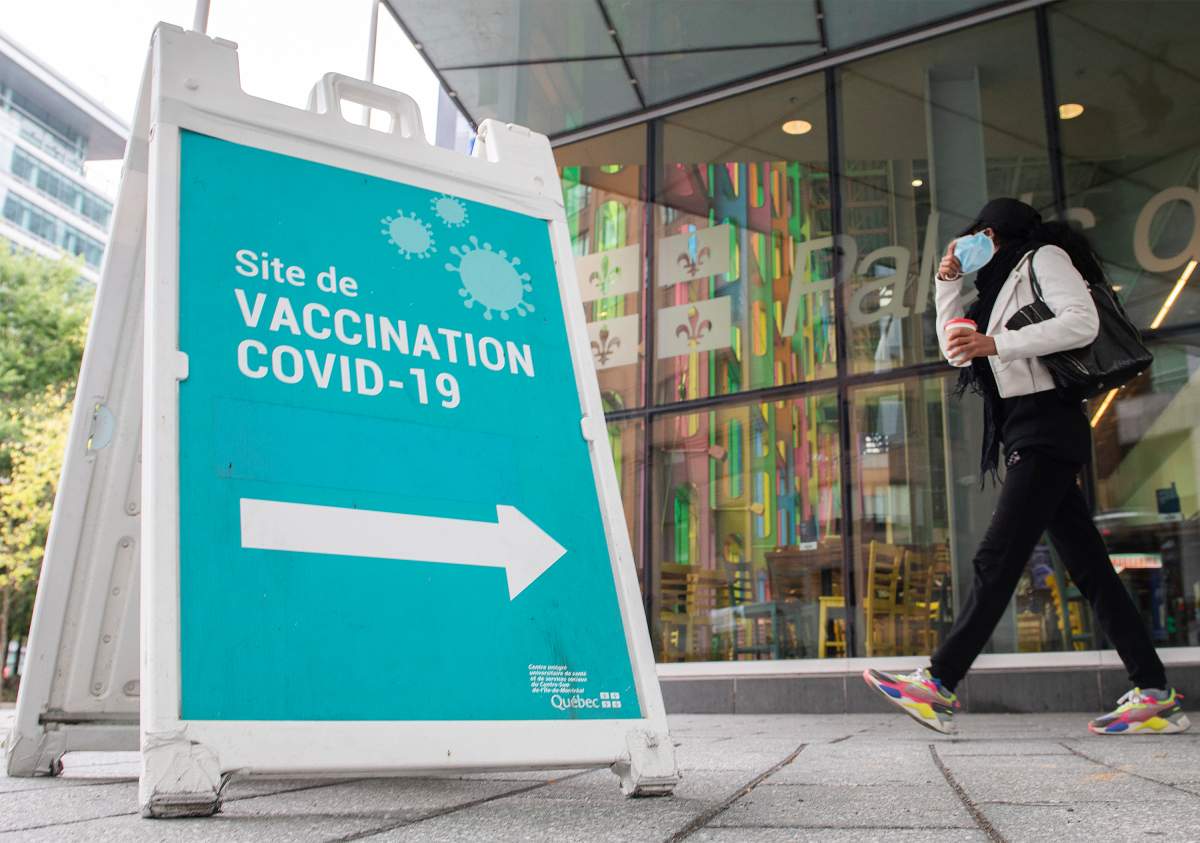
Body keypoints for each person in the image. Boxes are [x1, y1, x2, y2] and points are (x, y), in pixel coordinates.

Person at [862, 198, 1189, 736]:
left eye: (991, 230)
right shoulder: (989, 289)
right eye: (978, 230)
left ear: (1009, 231)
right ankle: (1154, 691)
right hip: (1024, 427)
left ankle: (939, 682)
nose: (983, 237)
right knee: (1090, 569)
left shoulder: (1044, 257)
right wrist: (947, 284)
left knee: (999, 555)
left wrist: (997, 341)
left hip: (1047, 424)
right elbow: (957, 353)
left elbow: (1081, 323)